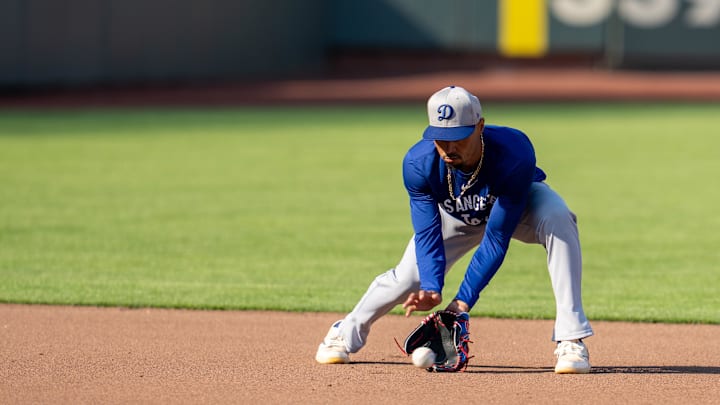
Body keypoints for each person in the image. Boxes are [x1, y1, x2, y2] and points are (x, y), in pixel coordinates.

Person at [315, 86, 594, 373]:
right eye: (441, 138)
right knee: (409, 276)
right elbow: (427, 233)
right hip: (455, 215)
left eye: (458, 138)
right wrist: (431, 287)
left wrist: (462, 301)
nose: (448, 148)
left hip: (515, 208)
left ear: (480, 127)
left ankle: (570, 338)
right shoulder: (418, 164)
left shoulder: (514, 153)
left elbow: (496, 238)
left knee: (559, 218)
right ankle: (343, 333)